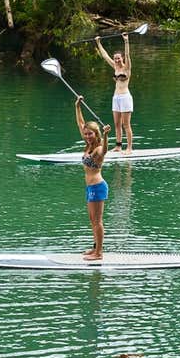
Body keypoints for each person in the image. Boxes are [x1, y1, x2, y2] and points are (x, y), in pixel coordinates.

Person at [75, 96, 111, 261]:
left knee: (97, 221)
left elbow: (105, 150)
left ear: (96, 134)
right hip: (90, 188)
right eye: (86, 134)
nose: (87, 136)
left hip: (97, 187)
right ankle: (95, 247)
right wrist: (78, 106)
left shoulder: (97, 149)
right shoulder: (88, 145)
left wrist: (105, 135)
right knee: (92, 220)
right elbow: (81, 124)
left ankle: (99, 253)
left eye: (90, 134)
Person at [95, 32, 133, 154]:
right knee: (117, 124)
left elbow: (128, 54)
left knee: (126, 125)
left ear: (122, 58)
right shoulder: (115, 67)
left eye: (118, 58)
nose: (116, 60)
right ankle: (118, 146)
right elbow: (105, 56)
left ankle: (129, 148)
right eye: (115, 58)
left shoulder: (127, 67)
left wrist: (126, 41)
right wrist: (98, 43)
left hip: (125, 97)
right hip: (116, 97)